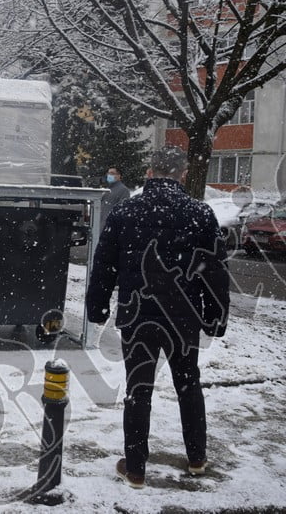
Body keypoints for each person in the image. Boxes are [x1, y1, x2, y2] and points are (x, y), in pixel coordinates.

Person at [86, 147, 230, 489]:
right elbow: (215, 270)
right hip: (183, 317)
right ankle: (197, 458)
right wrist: (216, 316)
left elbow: (104, 264)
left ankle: (136, 468)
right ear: (183, 175)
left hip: (138, 316)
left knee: (138, 389)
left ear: (149, 172)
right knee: (188, 384)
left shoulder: (126, 212)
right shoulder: (200, 214)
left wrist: (98, 307)